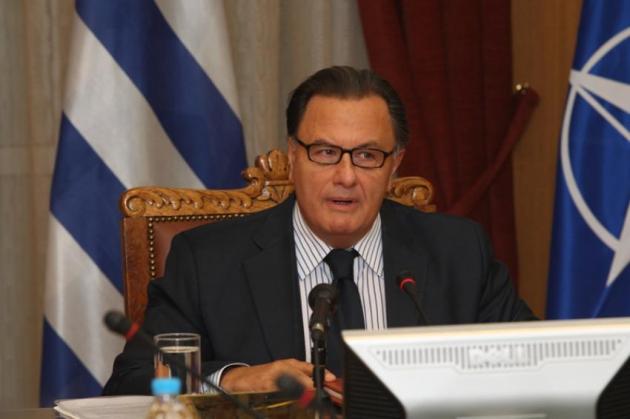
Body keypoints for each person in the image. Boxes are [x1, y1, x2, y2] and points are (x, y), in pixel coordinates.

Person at [103, 66, 535, 396]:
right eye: (325, 152)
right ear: (293, 157)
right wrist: (233, 380)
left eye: (367, 155)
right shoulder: (209, 261)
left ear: (395, 165)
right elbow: (133, 380)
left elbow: (532, 366)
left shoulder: (458, 251)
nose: (345, 176)